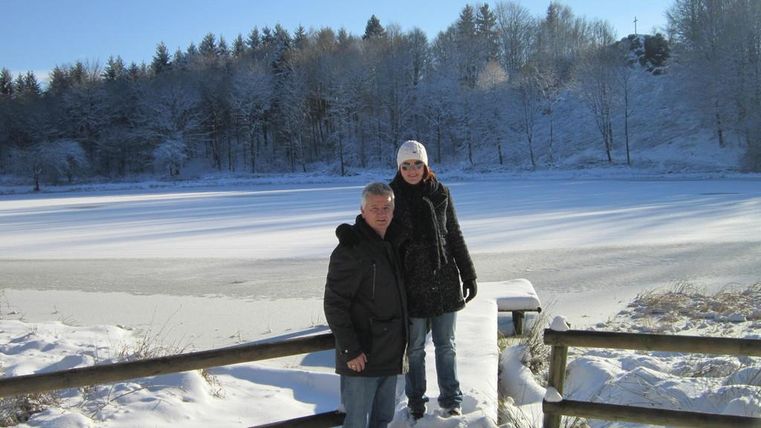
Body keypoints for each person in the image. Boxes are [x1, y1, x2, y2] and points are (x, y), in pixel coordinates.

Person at [389, 140, 478, 419]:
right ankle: (416, 401)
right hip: (411, 282)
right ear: (399, 168)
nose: (412, 170)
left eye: (417, 164)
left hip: (444, 280)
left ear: (425, 165)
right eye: (406, 165)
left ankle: (451, 400)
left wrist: (468, 273)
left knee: (446, 346)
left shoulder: (441, 193)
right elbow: (382, 237)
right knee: (414, 349)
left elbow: (454, 234)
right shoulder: (390, 196)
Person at [323, 182, 408, 428]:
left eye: (386, 208)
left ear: (394, 210)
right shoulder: (351, 249)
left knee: (383, 419)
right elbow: (334, 304)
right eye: (374, 208)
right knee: (356, 422)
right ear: (363, 211)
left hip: (390, 353)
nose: (381, 213)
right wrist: (350, 349)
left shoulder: (394, 244)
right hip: (361, 357)